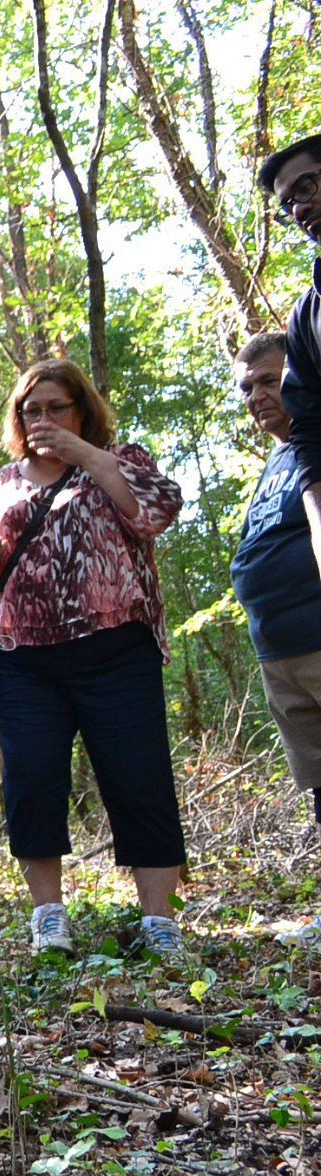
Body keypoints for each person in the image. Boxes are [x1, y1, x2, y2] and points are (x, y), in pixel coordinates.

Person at [0, 359, 188, 956]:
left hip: (116, 653)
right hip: (24, 661)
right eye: (31, 410)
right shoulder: (5, 482)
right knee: (31, 783)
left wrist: (88, 455)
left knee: (139, 781)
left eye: (56, 407)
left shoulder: (120, 460)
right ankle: (49, 918)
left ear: (81, 410)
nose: (42, 419)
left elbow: (157, 513)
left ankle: (158, 921)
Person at [230, 331, 321, 823]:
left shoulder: (317, 437)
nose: (256, 397)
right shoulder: (278, 457)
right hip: (279, 655)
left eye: (268, 380)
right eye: (246, 388)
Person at [256, 133, 321, 583]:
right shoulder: (306, 318)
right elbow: (311, 432)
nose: (297, 210)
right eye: (287, 203)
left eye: (306, 188)